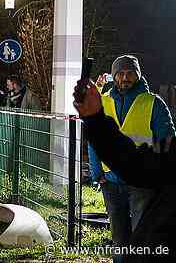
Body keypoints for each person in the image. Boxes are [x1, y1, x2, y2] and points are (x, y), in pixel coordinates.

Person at [74, 72, 176, 262]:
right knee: (120, 237)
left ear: (138, 76)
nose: (125, 77)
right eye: (120, 73)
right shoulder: (106, 100)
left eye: (130, 73)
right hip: (113, 179)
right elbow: (138, 163)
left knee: (139, 233)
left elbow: (159, 145)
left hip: (142, 187)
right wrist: (95, 120)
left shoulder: (153, 103)